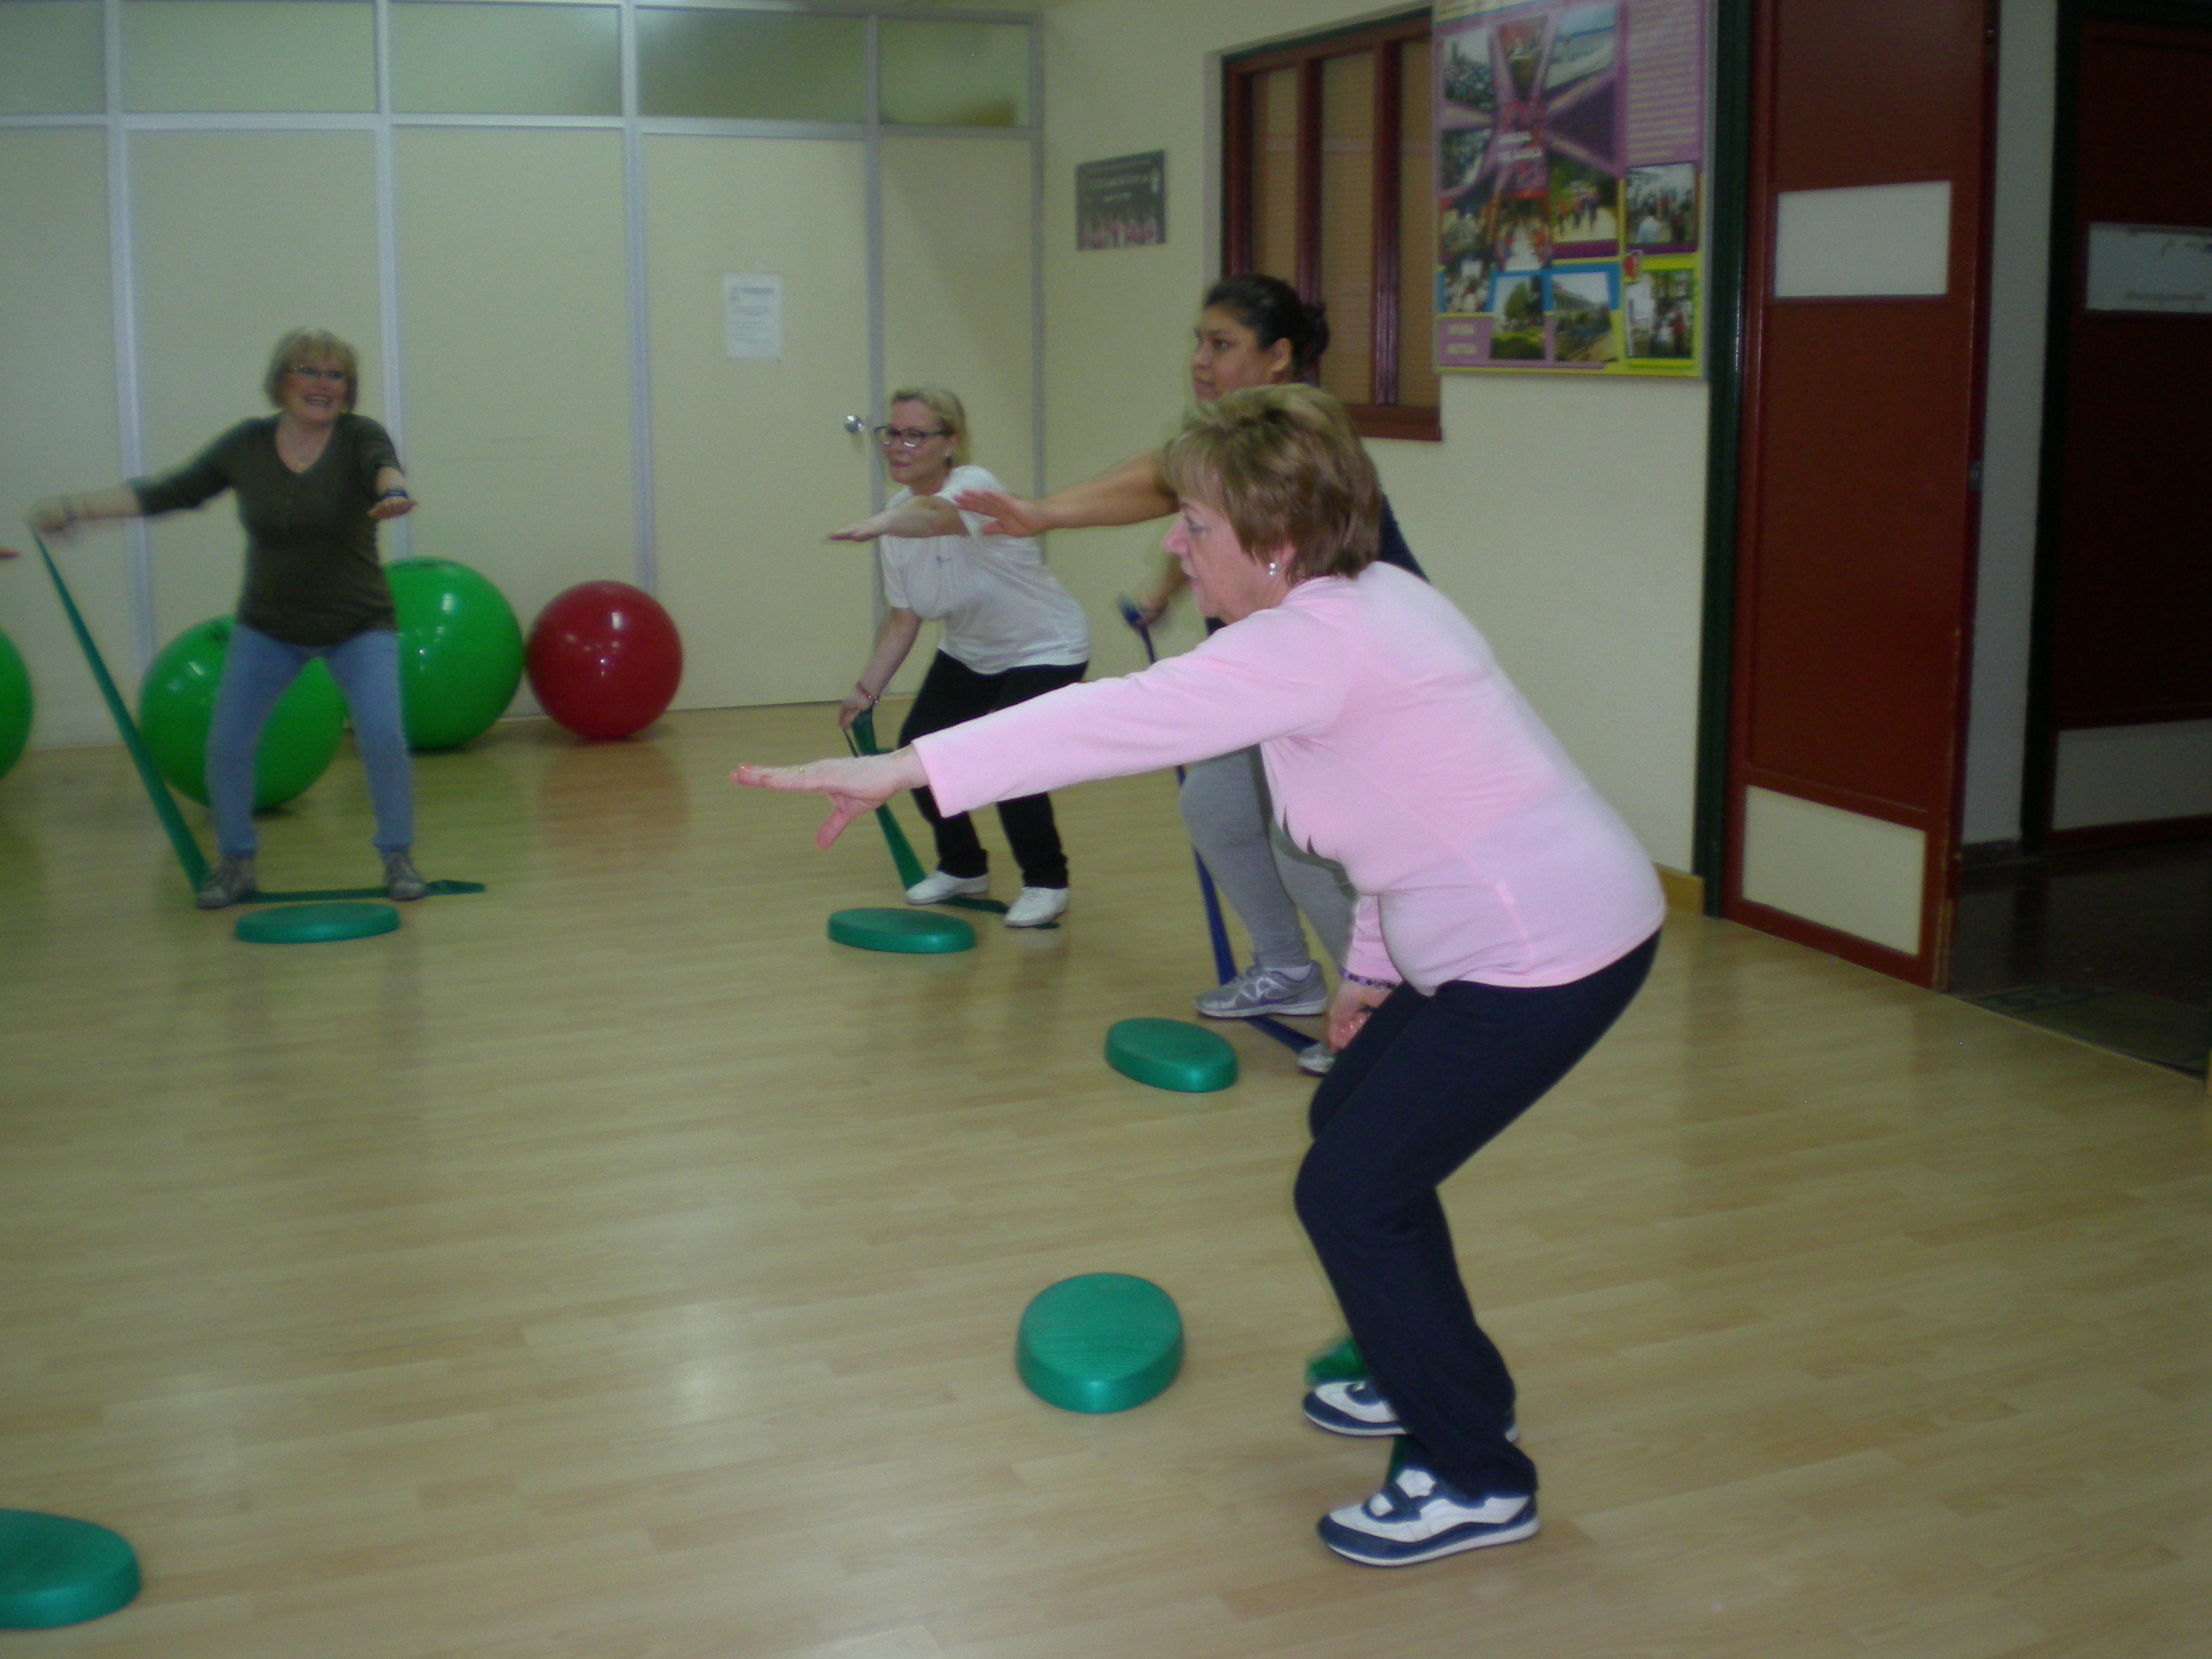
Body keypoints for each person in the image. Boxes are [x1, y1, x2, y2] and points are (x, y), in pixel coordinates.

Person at [735, 385, 1665, 1568]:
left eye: (1196, 524)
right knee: (1349, 1125)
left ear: (1275, 544)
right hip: (1513, 925)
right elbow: (1418, 813)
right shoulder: (1366, 601)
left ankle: (1475, 1474)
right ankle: (1438, 1377)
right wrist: (1370, 969)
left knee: (1349, 1189)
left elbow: (1119, 716)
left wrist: (905, 766)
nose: (1173, 543)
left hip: (1543, 951)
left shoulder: (1309, 641)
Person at [958, 274, 1426, 1073]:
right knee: (1213, 809)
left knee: (1303, 845)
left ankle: (1383, 1012)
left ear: (1279, 358)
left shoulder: (1300, 444)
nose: (1200, 361)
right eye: (1199, 343)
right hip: (1266, 674)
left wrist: (1044, 513)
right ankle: (1286, 970)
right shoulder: (1239, 443)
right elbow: (1194, 497)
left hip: (1345, 679)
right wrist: (1167, 580)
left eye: (1222, 345)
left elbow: (1169, 484)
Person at [31, 328, 424, 909]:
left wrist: (395, 490)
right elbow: (173, 491)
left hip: (357, 624)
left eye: (334, 375)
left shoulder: (359, 437)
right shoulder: (247, 445)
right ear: (281, 381)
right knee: (227, 745)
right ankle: (235, 861)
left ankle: (398, 855)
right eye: (307, 371)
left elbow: (383, 465)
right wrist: (76, 509)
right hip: (269, 626)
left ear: (348, 389)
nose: (321, 385)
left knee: (384, 737)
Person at [829, 385, 1089, 930]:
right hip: (971, 652)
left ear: (951, 442)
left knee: (1010, 759)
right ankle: (964, 866)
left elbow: (932, 517)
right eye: (892, 434)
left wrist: (879, 523)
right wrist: (865, 693)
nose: (898, 445)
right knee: (919, 753)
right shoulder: (894, 523)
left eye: (915, 435)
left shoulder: (975, 488)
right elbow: (904, 620)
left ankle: (1047, 882)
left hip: (1045, 647)